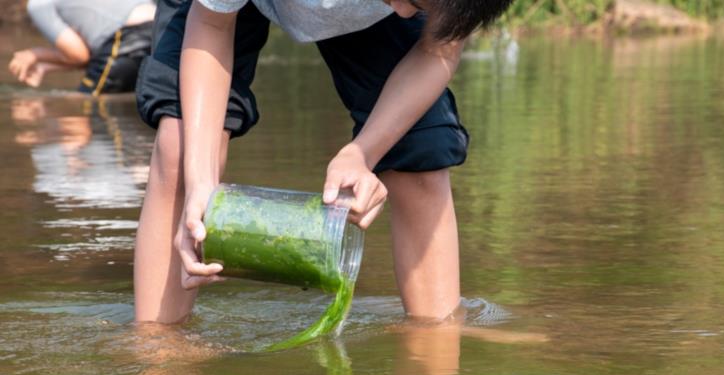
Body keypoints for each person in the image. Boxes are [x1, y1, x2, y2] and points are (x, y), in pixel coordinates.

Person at [134, 0, 513, 323]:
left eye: (416, 8)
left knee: (421, 155)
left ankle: (437, 347)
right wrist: (201, 182)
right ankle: (157, 353)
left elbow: (438, 50)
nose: (402, 12)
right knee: (179, 151)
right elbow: (213, 23)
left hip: (367, 19)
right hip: (213, 16)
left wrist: (362, 153)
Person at [8, 0, 156, 94]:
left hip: (126, 38)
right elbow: (88, 58)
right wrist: (45, 67)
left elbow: (79, 55)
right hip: (159, 32)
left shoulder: (39, 4)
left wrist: (34, 54)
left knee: (84, 104)